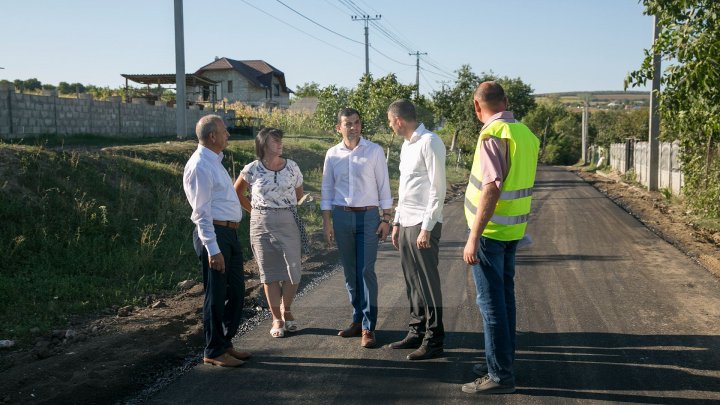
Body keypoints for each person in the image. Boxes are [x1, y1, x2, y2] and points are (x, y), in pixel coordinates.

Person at [461, 82, 539, 394]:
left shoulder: (492, 135)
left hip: (490, 234)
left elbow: (491, 186)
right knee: (504, 300)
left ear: (477, 107)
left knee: (491, 304)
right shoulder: (525, 133)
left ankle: (500, 376)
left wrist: (473, 237)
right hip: (512, 231)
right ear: (505, 101)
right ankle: (501, 361)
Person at [321, 107, 393, 348]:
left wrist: (386, 218)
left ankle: (368, 327)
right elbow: (327, 191)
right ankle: (356, 320)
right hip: (341, 217)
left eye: (356, 122)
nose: (353, 127)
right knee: (350, 273)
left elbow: (384, 186)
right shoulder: (332, 155)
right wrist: (327, 222)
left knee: (366, 271)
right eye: (348, 124)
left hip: (369, 217)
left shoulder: (374, 151)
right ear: (338, 128)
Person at [183, 114, 251, 368]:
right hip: (214, 234)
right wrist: (212, 249)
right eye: (224, 131)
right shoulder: (200, 165)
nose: (228, 135)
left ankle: (225, 343)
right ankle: (213, 350)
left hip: (228, 233)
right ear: (212, 136)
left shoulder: (214, 161)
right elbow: (201, 212)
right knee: (216, 294)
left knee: (236, 290)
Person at [386, 99, 447, 360]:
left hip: (424, 224)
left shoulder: (430, 141)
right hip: (407, 221)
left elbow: (438, 188)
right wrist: (397, 222)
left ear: (399, 120)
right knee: (412, 282)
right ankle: (416, 330)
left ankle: (434, 340)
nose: (390, 126)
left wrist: (427, 227)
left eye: (390, 122)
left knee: (428, 283)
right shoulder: (406, 145)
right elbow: (405, 187)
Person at [234, 127, 304, 338]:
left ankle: (287, 308)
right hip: (260, 222)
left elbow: (299, 194)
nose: (280, 144)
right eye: (275, 141)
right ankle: (277, 318)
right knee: (270, 272)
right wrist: (253, 211)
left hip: (288, 219)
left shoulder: (292, 167)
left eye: (280, 140)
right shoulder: (252, 168)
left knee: (294, 270)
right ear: (264, 144)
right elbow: (237, 192)